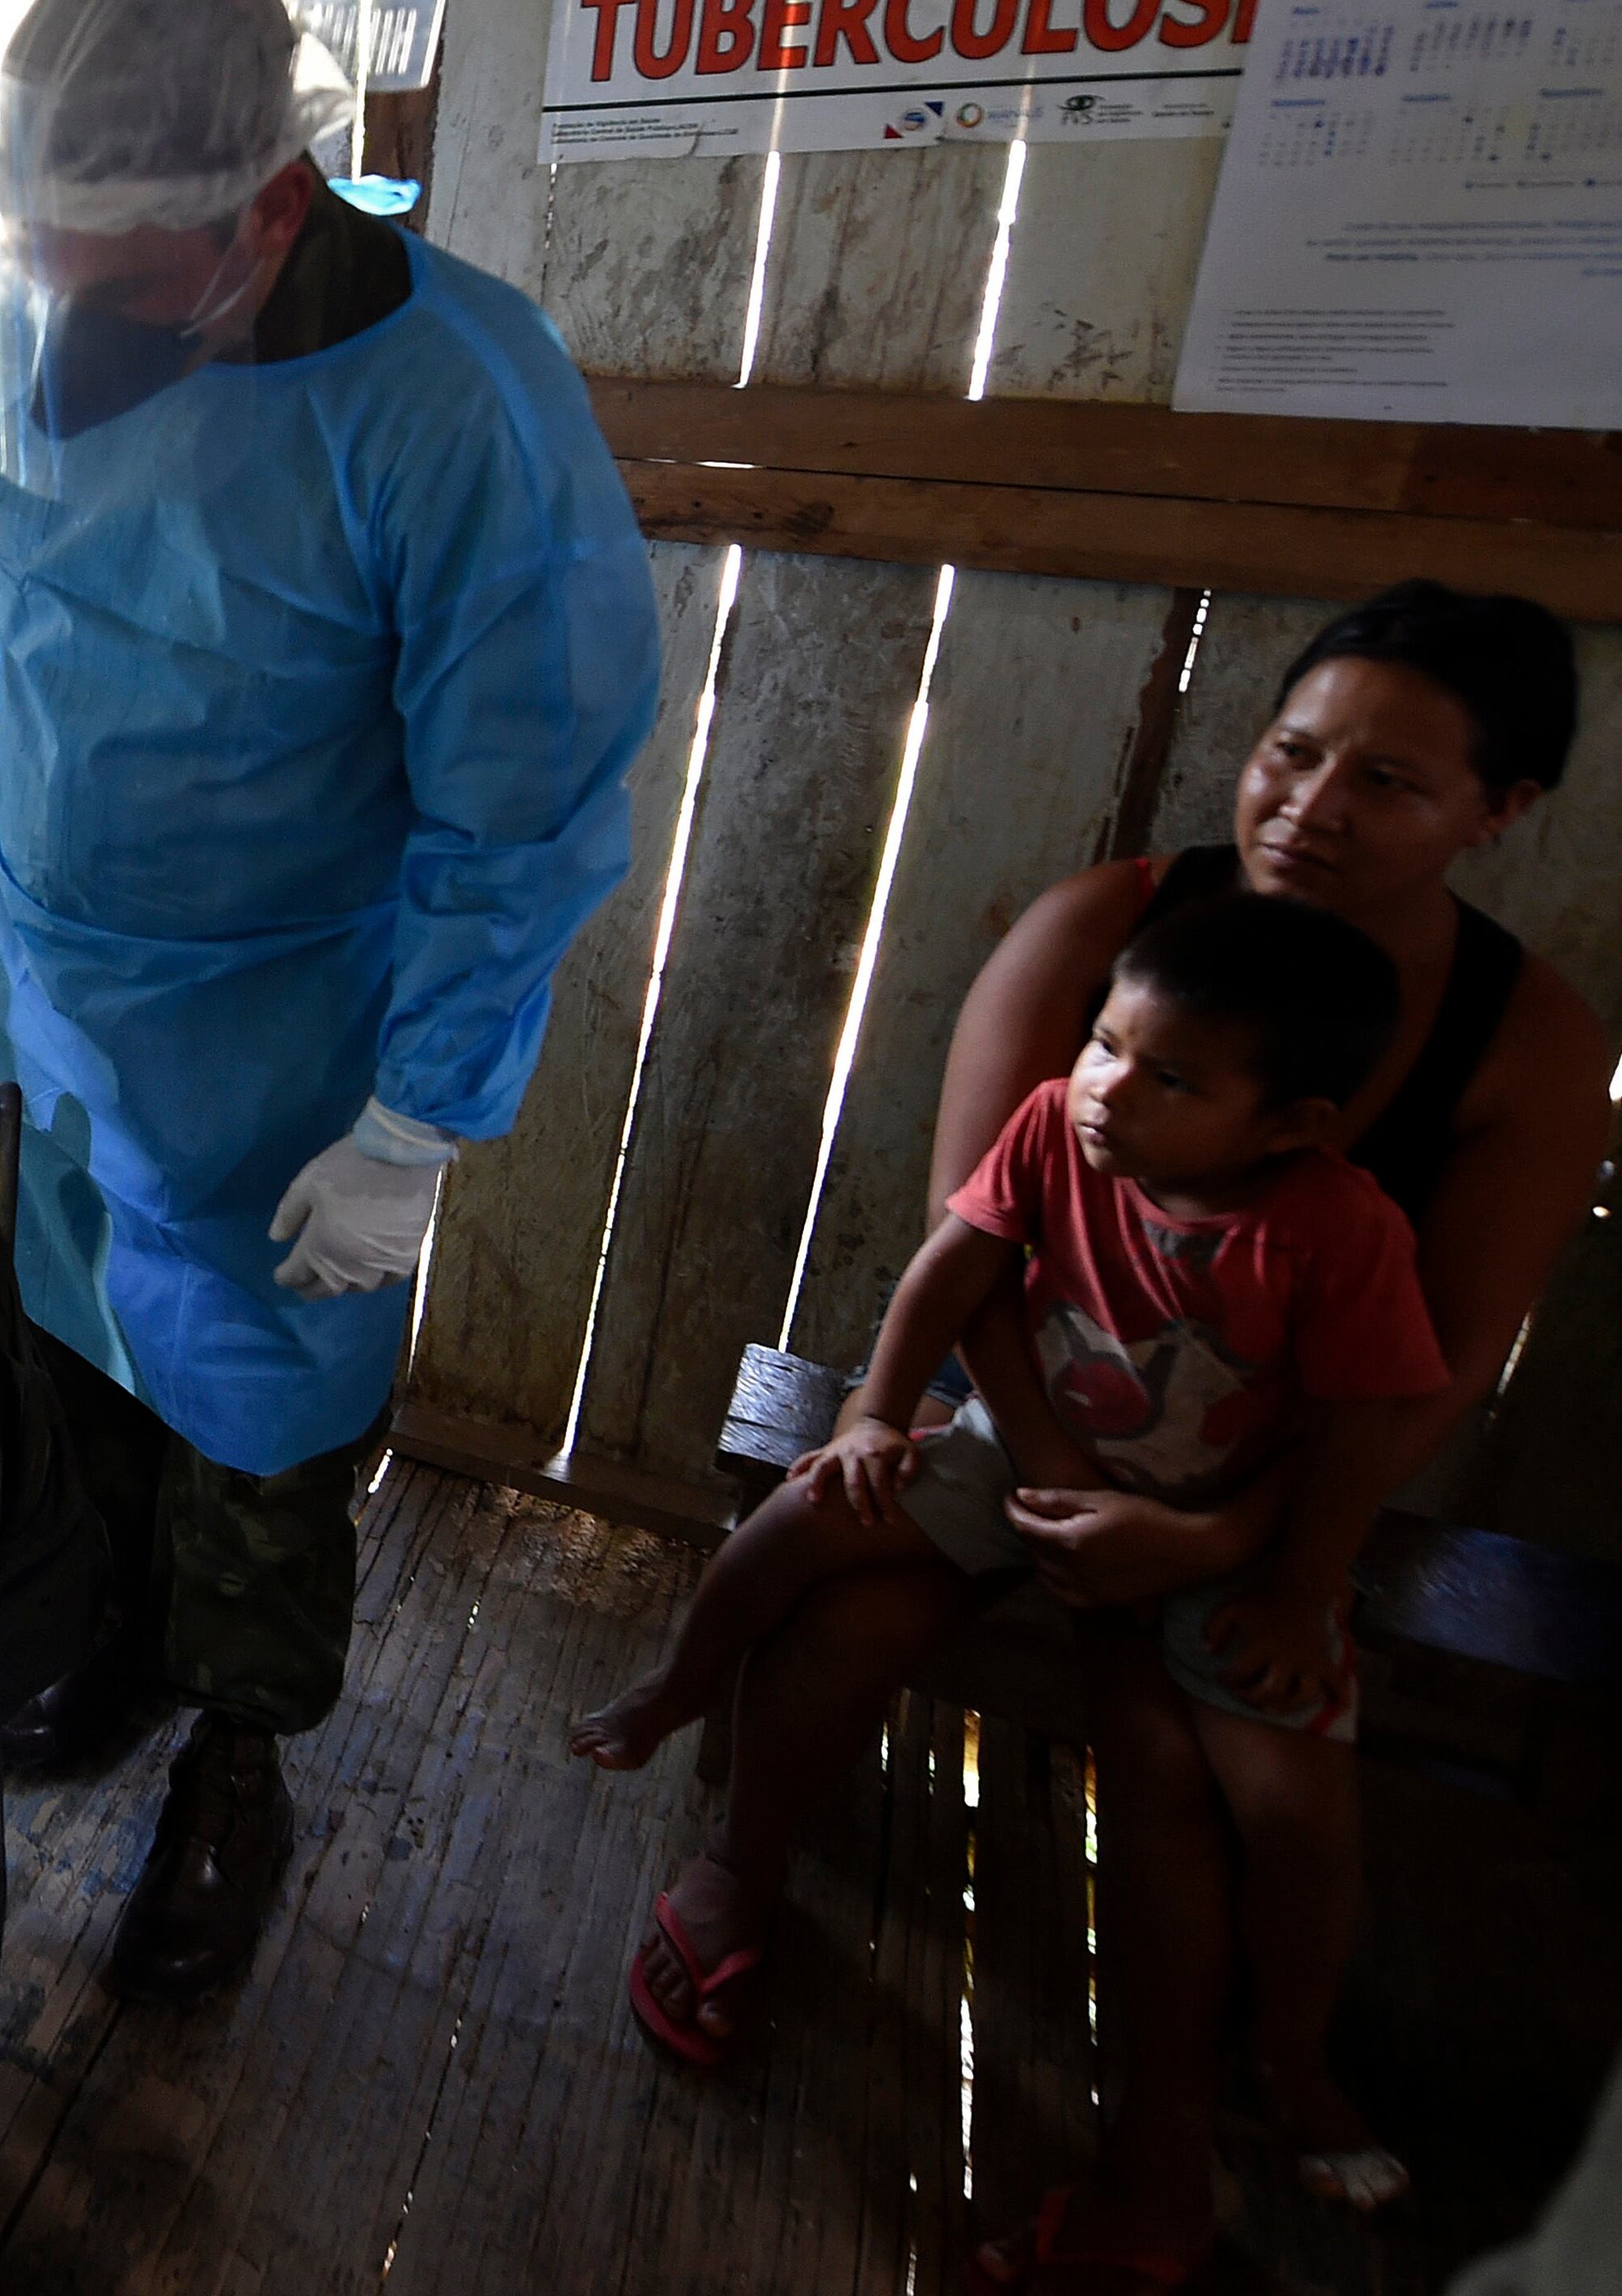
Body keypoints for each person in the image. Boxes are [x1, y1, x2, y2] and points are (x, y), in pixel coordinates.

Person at [615, 582, 1607, 2285]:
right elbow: (971, 1231)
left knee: (1172, 1761)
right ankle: (734, 1865)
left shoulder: (1518, 1039)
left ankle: (1181, 2137)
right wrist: (1053, 1475)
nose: (1308, 805)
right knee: (856, 1604)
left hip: (1268, 1490)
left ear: (1498, 813)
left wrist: (1224, 1541)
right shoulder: (1112, 926)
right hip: (1028, 1411)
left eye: (1386, 782)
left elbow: (1432, 1366)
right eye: (1289, 752)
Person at [0, 0, 659, 2002]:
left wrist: (417, 1122)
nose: (65, 332)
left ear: (272, 208)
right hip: (54, 976)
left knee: (264, 1424)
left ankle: (241, 1754)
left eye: (120, 289)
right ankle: (96, 1648)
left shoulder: (458, 406)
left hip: (294, 1031)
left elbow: (522, 809)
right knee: (65, 1345)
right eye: (41, 264)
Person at [576, 897, 1446, 2167]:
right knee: (809, 1510)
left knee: (1297, 1815)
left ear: (1290, 1125)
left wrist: (1303, 1587)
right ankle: (677, 1683)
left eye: (1170, 1078)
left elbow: (1359, 1430)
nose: (1106, 1090)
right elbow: (950, 1268)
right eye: (1104, 1042)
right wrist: (874, 1417)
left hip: (1231, 1534)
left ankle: (1291, 2056)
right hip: (1014, 1455)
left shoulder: (1334, 1230)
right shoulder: (1054, 1125)